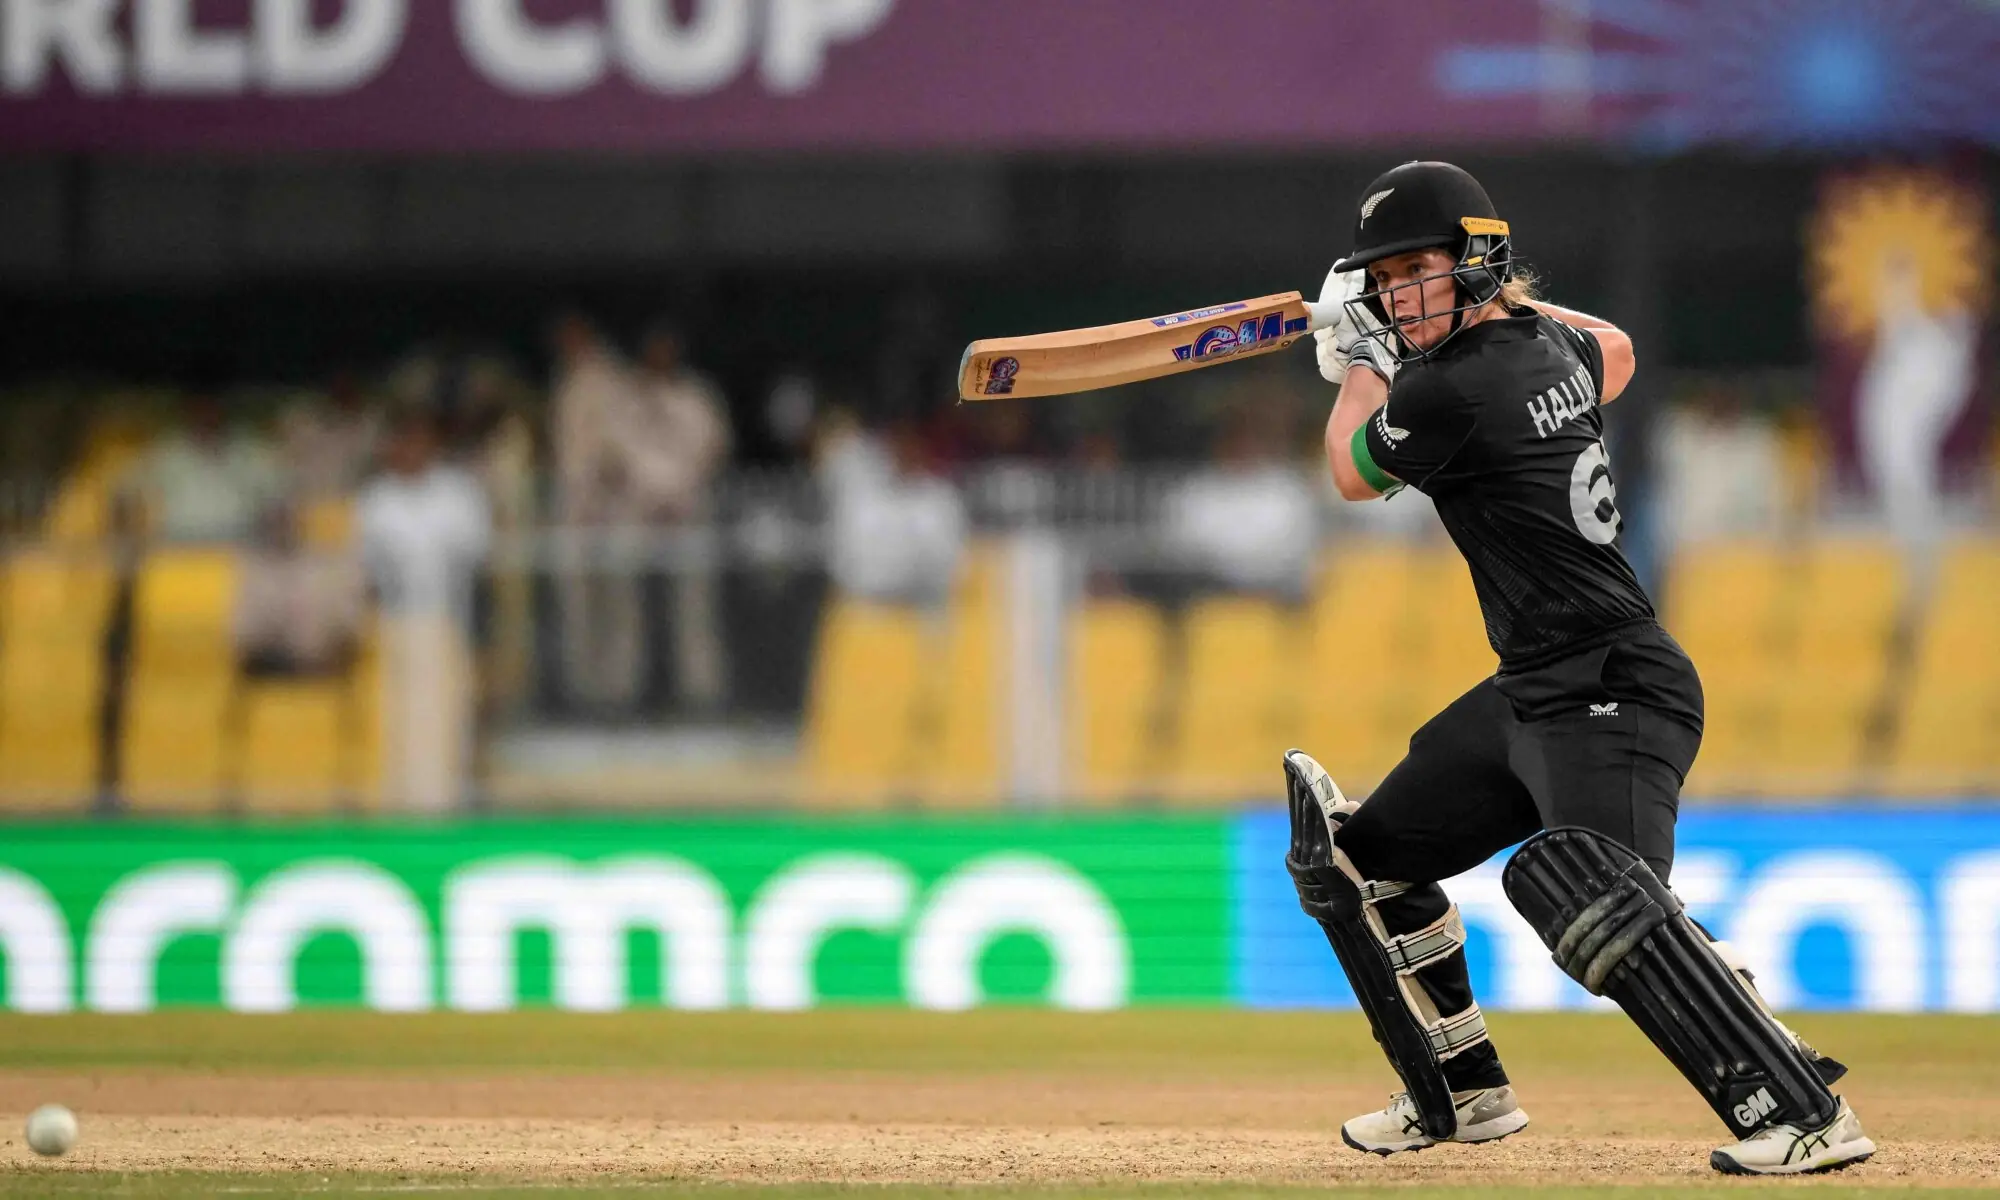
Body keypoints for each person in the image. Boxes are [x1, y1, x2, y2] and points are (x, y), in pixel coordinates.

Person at [1289, 161, 1873, 1175]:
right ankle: (1461, 1097)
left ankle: (1799, 1111)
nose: (1397, 298)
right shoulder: (1545, 339)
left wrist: (1354, 365)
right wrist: (1450, 313)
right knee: (1367, 863)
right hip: (1536, 686)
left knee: (1600, 905)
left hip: (1612, 684)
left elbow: (1346, 472)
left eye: (1417, 271)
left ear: (1474, 263)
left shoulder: (1448, 388)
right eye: (1382, 280)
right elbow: (1616, 349)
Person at [356, 406, 492, 813]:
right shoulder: (375, 499)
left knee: (448, 716)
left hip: (449, 621)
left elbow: (478, 559)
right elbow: (365, 568)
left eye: (420, 442)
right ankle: (398, 802)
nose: (411, 450)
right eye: (403, 442)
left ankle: (451, 800)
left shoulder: (459, 493)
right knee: (401, 719)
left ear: (433, 447)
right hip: (394, 625)